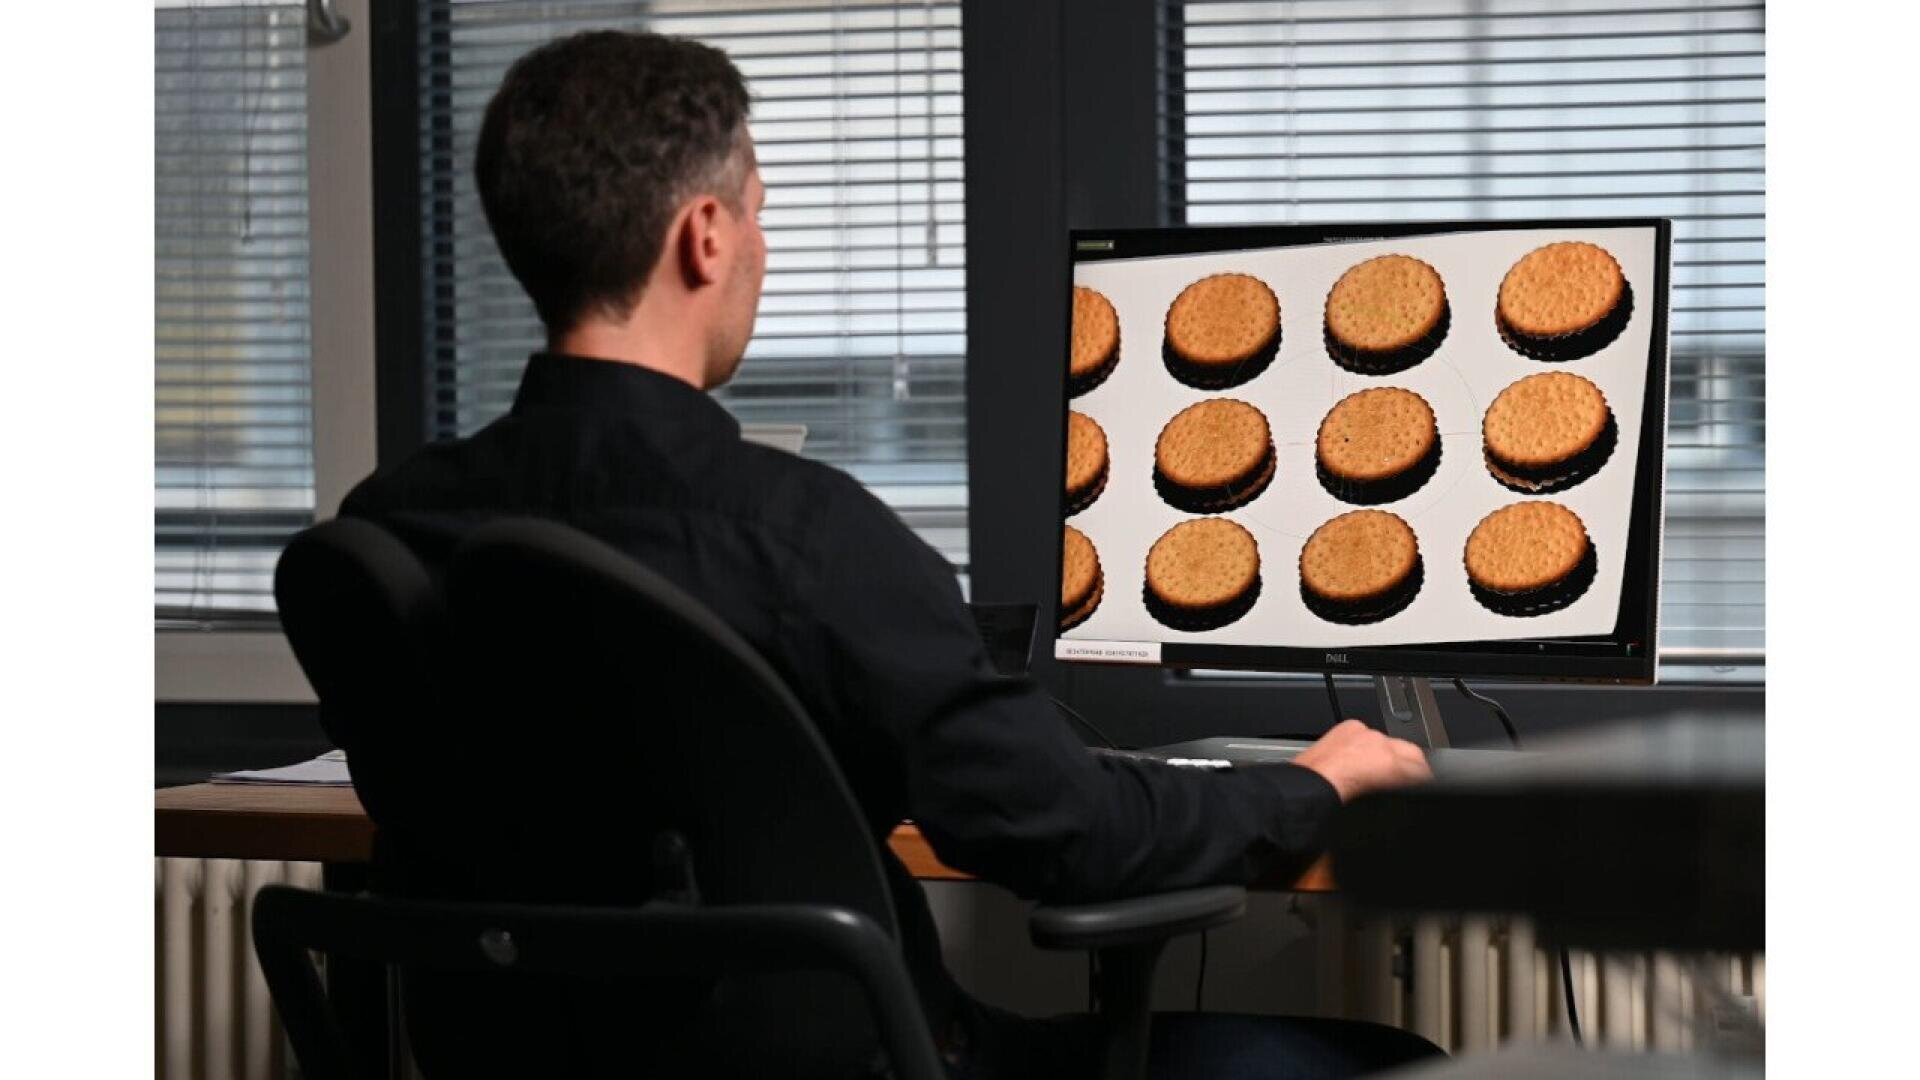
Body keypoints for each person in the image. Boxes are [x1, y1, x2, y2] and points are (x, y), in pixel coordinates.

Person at [340, 29, 1438, 1079]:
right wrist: (1312, 784)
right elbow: (1071, 832)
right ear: (706, 235)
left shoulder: (393, 523)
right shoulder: (803, 538)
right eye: (761, 217)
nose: (762, 254)